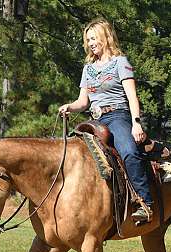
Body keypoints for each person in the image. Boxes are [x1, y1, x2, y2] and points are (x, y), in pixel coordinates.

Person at [59, 18, 153, 224]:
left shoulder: (121, 62)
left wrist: (136, 123)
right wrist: (70, 107)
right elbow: (83, 101)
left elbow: (132, 97)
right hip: (94, 121)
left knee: (128, 151)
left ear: (105, 37)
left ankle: (145, 203)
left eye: (94, 38)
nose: (91, 43)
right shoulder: (88, 68)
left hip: (118, 116)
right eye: (88, 40)